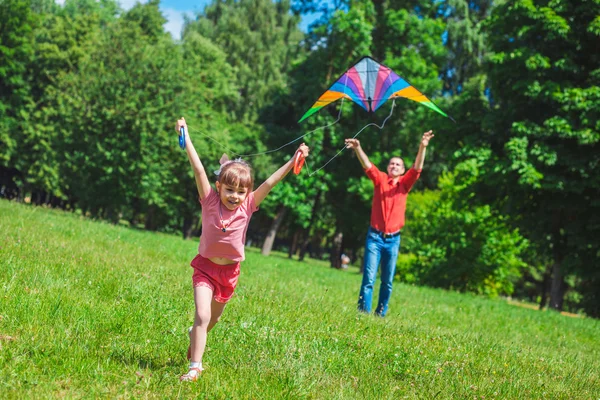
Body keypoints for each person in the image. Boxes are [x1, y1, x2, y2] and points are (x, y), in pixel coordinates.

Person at [175, 117, 310, 382]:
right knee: (202, 315)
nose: (234, 196)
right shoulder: (209, 201)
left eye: (240, 191)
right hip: (205, 268)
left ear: (247, 192)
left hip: (229, 274)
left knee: (209, 322)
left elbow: (270, 182)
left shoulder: (248, 206)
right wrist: (186, 136)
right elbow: (199, 169)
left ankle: (195, 336)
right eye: (229, 190)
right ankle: (195, 368)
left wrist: (293, 159)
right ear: (218, 187)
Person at [344, 130, 434, 317]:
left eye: (398, 164)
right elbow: (368, 165)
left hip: (393, 240)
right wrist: (358, 148)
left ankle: (381, 313)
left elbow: (417, 168)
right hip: (375, 238)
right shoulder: (380, 180)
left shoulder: (404, 185)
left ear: (402, 170)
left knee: (387, 281)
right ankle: (363, 313)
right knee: (369, 278)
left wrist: (422, 147)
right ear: (388, 167)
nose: (394, 165)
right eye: (392, 163)